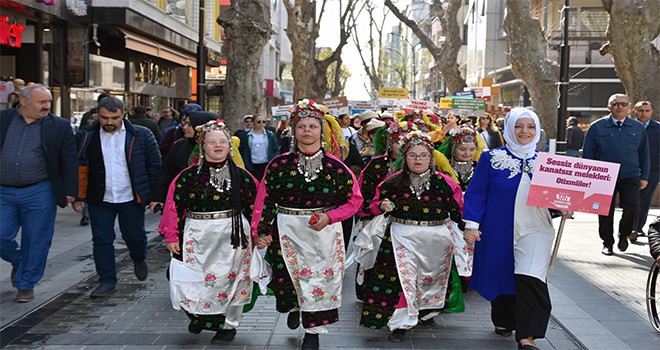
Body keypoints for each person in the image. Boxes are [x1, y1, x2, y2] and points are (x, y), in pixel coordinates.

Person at [251, 99, 362, 350]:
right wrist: (261, 231)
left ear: (322, 131)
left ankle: (313, 331)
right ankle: (295, 306)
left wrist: (330, 217)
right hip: (286, 230)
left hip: (322, 232)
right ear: (294, 130)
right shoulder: (278, 165)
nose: (307, 131)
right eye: (302, 126)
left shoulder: (337, 167)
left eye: (313, 126)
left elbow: (354, 200)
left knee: (319, 281)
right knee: (288, 279)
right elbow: (264, 200)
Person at [463, 107, 572, 350]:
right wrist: (471, 225)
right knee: (501, 274)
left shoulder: (548, 163)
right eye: (519, 126)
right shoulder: (490, 158)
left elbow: (557, 199)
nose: (525, 131)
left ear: (538, 130)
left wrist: (565, 208)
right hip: (497, 229)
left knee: (530, 278)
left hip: (537, 229)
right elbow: (476, 194)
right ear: (509, 129)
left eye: (530, 126)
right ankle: (504, 319)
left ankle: (527, 336)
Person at [358, 129, 470, 342]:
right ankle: (401, 324)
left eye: (423, 155)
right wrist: (381, 205)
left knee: (428, 281)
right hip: (401, 238)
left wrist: (470, 229)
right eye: (412, 155)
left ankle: (424, 311)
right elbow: (371, 206)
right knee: (403, 280)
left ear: (431, 157)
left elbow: (459, 210)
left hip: (436, 242)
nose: (418, 160)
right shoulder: (392, 182)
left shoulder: (445, 183)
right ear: (405, 157)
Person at [159, 119, 257, 343]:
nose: (218, 146)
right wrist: (171, 236)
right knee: (193, 280)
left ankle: (229, 325)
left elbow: (256, 207)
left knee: (233, 281)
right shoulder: (186, 177)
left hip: (233, 237)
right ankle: (199, 316)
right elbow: (173, 207)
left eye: (223, 141)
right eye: (212, 142)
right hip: (196, 235)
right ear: (202, 145)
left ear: (230, 146)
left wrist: (260, 233)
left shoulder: (242, 176)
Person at [73, 97, 161, 298]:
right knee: (101, 240)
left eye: (114, 117)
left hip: (131, 197)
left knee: (135, 237)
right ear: (98, 115)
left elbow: (155, 167)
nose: (109, 122)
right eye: (104, 117)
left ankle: (139, 258)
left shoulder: (141, 134)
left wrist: (155, 196)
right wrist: (78, 196)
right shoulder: (87, 135)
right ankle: (107, 280)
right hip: (99, 198)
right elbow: (78, 166)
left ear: (124, 114)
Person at [0, 84, 77, 303]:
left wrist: (71, 191)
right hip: (3, 191)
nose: (47, 106)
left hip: (39, 190)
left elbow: (69, 160)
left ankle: (26, 283)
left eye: (49, 102)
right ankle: (21, 262)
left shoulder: (59, 126)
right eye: (41, 102)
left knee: (37, 240)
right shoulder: (3, 119)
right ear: (23, 101)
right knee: (2, 235)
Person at [583, 94, 650, 255]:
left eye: (623, 104)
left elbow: (644, 153)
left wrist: (644, 176)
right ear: (609, 107)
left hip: (630, 175)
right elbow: (588, 154)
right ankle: (608, 243)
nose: (619, 106)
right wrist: (588, 177)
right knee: (604, 211)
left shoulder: (638, 128)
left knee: (633, 206)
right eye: (615, 104)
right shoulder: (597, 127)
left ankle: (624, 234)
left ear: (629, 107)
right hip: (603, 176)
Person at [149, 111, 215, 213]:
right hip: (180, 204)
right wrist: (157, 198)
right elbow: (165, 173)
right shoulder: (179, 146)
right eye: (184, 123)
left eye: (190, 124)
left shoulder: (218, 148)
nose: (184, 127)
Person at [630, 101, 658, 242]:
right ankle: (629, 227)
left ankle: (637, 228)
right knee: (631, 200)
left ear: (652, 111)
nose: (644, 113)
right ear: (634, 111)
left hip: (653, 170)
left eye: (647, 110)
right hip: (631, 170)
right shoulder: (628, 127)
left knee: (645, 200)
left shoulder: (658, 128)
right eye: (641, 110)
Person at [438, 124, 484, 192]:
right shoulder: (444, 168)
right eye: (462, 149)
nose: (467, 153)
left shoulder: (480, 168)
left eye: (472, 149)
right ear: (453, 149)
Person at [238, 114, 279, 181]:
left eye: (264, 122)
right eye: (258, 122)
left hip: (266, 164)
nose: (261, 124)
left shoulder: (270, 134)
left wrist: (272, 160)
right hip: (250, 164)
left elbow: (276, 149)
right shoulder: (245, 135)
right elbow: (242, 149)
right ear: (253, 122)